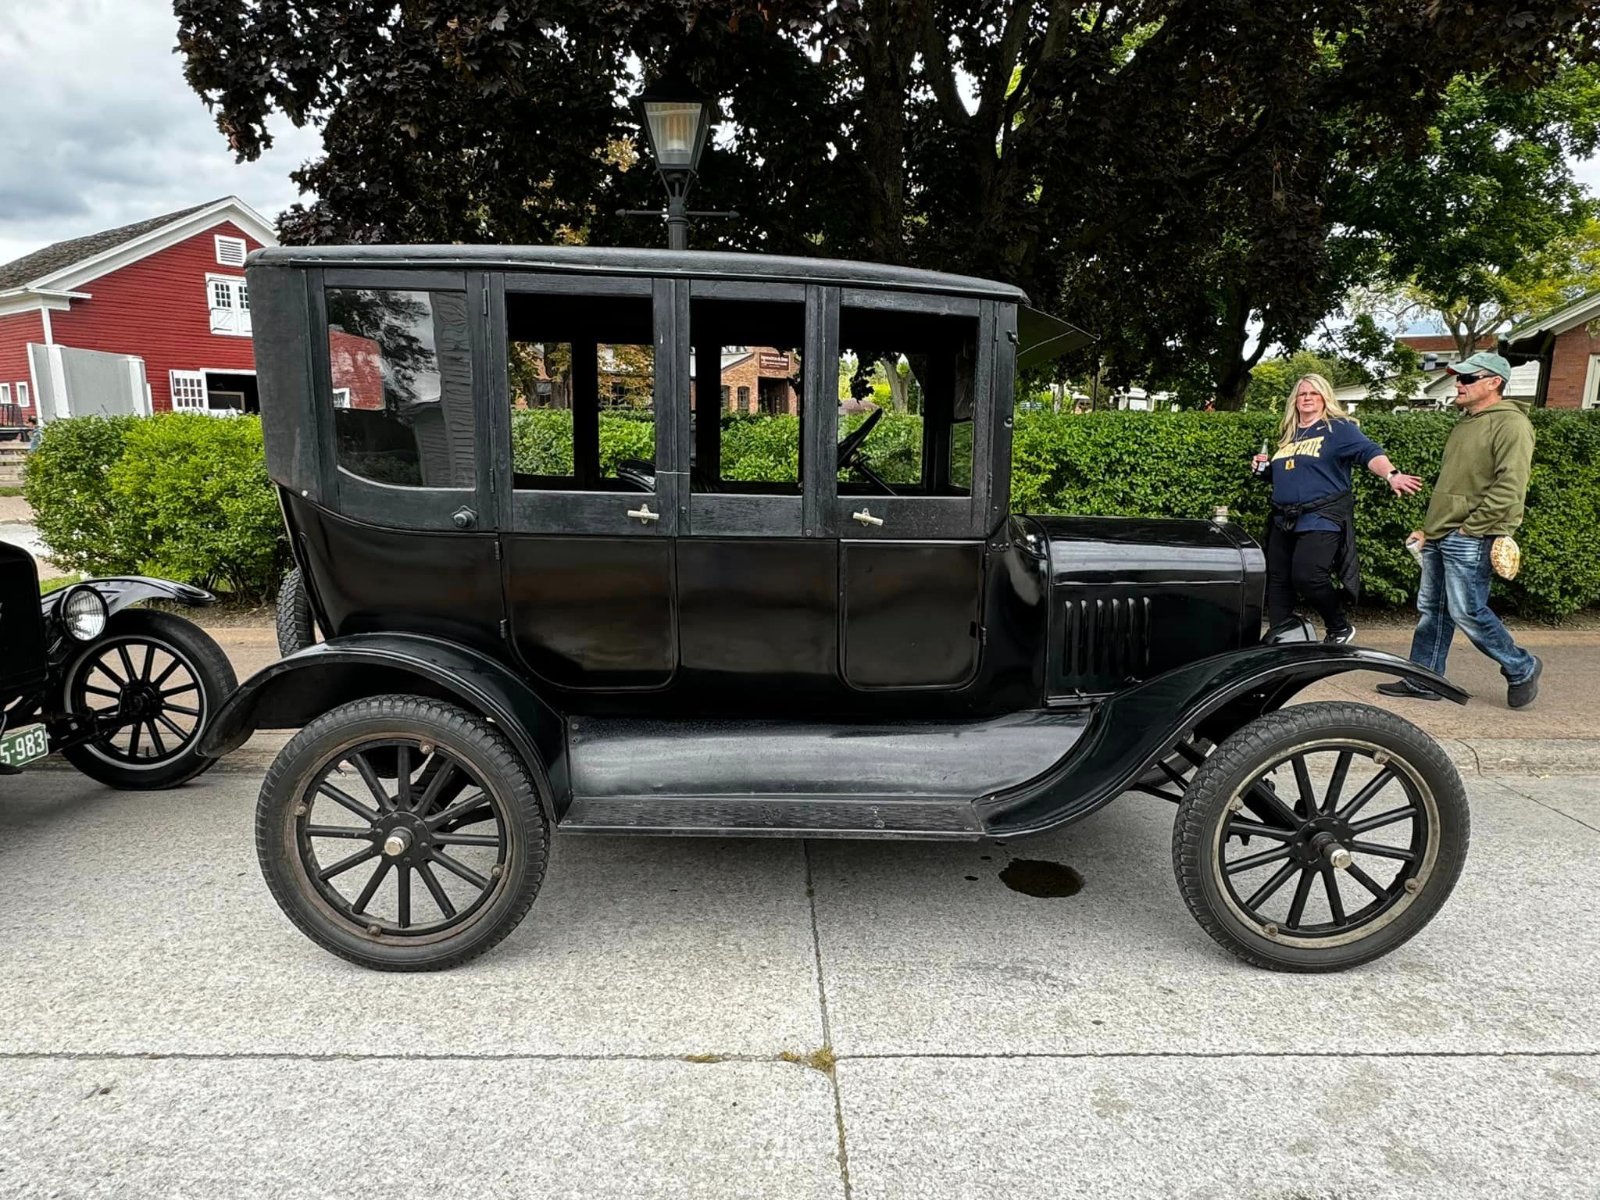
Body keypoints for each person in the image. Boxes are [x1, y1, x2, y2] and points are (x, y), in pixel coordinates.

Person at [1375, 351, 1541, 707]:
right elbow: (1452, 486)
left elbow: (1511, 487)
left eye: (1467, 378)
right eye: (1458, 378)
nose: (1458, 385)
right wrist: (1428, 530)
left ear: (1494, 382)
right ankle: (1424, 680)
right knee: (1432, 610)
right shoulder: (1465, 423)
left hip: (1473, 535)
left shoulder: (1511, 424)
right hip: (1443, 533)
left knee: (1467, 611)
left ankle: (1522, 666)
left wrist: (1471, 529)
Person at [1252, 374, 1421, 643]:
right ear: (1294, 400)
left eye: (1314, 393)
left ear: (1325, 398)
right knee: (1278, 580)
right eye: (1302, 394)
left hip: (1321, 516)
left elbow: (1369, 452)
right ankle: (1281, 638)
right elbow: (1292, 473)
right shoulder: (1290, 434)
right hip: (1283, 517)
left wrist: (1391, 474)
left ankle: (1339, 626)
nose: (1307, 398)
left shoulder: (1338, 428)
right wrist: (1264, 470)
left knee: (1308, 576)